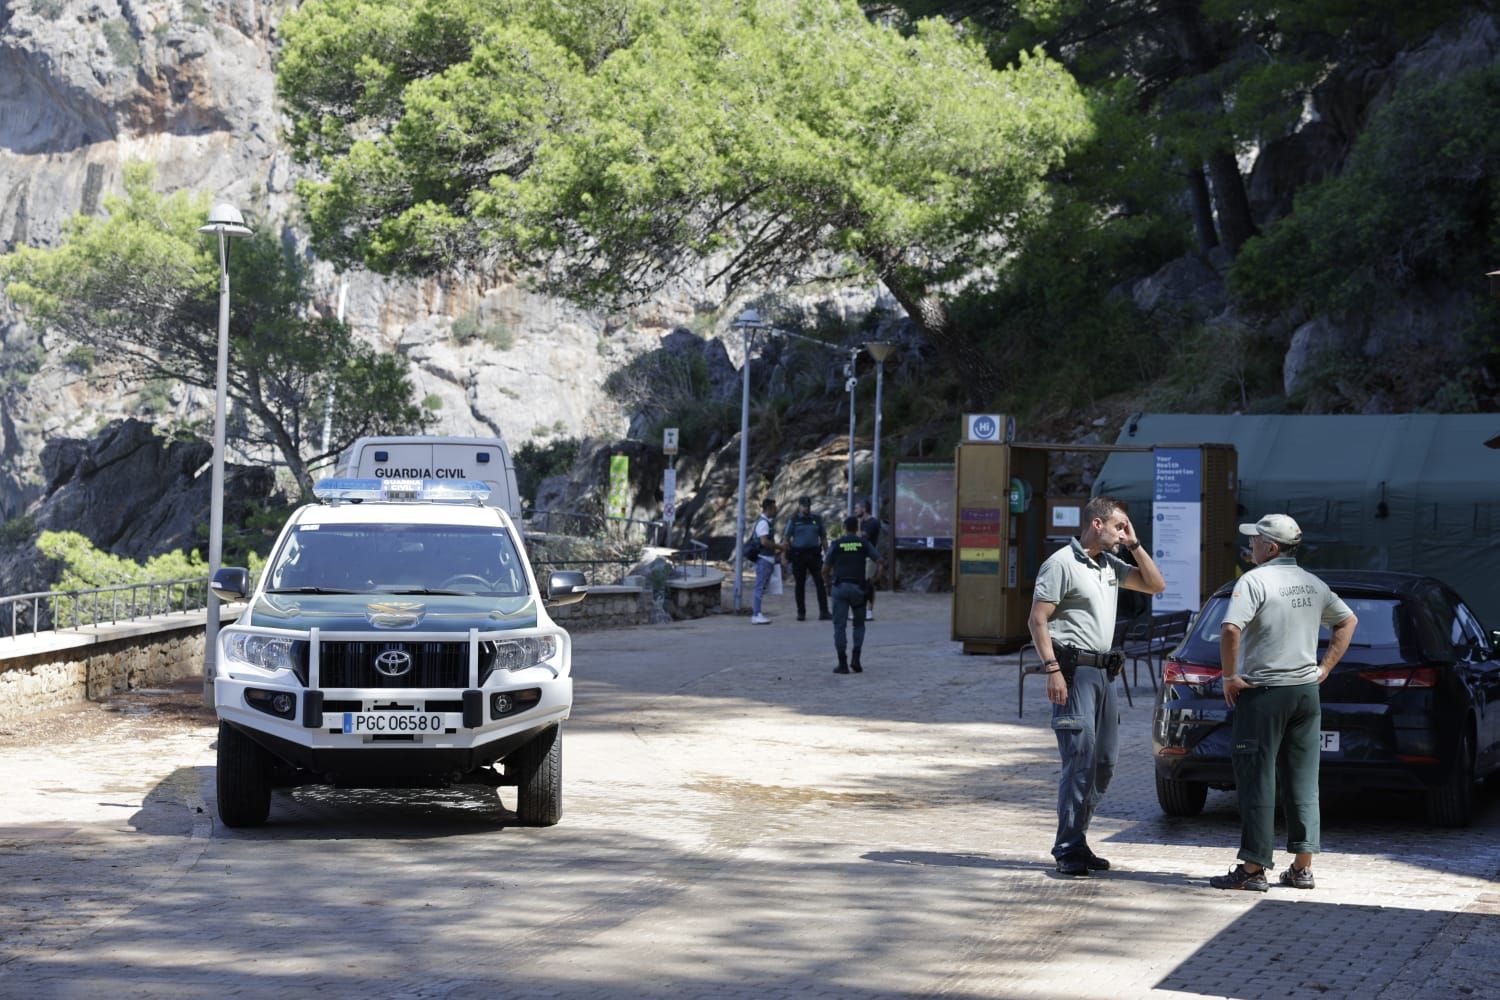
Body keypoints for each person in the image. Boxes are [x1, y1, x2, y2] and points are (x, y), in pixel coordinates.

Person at [1209, 513, 1357, 892]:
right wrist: (1323, 668)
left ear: (1271, 548)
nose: (1250, 545)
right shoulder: (1312, 582)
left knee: (1258, 777)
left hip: (1264, 693)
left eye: (1255, 540)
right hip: (1306, 693)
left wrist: (1228, 676)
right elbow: (1347, 621)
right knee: (1303, 778)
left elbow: (1230, 629)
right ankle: (1302, 866)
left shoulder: (1254, 580)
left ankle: (1254, 869)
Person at [1027, 495, 1166, 876]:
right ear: (1097, 524)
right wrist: (1052, 669)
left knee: (1103, 762)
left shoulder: (1109, 565)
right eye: (1120, 527)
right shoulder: (1061, 564)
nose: (1123, 534)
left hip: (1104, 674)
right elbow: (1038, 621)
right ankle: (1068, 847)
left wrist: (1136, 544)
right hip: (1074, 673)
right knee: (1079, 759)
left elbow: (1156, 585)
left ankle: (1079, 837)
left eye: (1127, 528)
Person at [822, 516, 883, 673]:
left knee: (839, 626)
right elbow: (880, 561)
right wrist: (874, 579)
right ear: (857, 528)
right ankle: (856, 658)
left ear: (844, 528)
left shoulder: (837, 544)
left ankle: (842, 664)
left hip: (840, 588)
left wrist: (828, 584)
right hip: (859, 589)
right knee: (859, 625)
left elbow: (825, 569)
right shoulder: (863, 543)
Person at [785, 496, 831, 621]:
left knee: (820, 583)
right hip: (799, 555)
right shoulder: (794, 520)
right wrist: (785, 555)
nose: (806, 508)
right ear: (799, 506)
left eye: (808, 506)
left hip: (814, 555)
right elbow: (787, 538)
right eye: (804, 506)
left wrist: (828, 554)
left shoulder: (817, 519)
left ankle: (824, 612)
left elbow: (823, 537)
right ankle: (801, 613)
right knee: (799, 585)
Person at [749, 497, 783, 625]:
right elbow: (764, 541)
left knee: (761, 587)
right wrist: (779, 547)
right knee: (759, 587)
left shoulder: (766, 522)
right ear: (769, 509)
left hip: (767, 559)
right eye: (774, 508)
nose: (776, 510)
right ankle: (756, 614)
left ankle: (757, 613)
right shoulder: (763, 523)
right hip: (763, 559)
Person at [854, 499, 881, 620]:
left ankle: (869, 611)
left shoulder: (872, 522)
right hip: (859, 557)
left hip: (870, 557)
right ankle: (860, 610)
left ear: (864, 509)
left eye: (857, 508)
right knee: (859, 583)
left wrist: (858, 524)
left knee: (868, 583)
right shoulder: (861, 521)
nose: (855, 510)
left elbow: (861, 538)